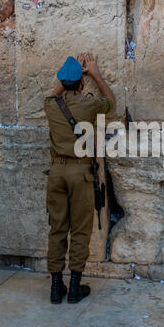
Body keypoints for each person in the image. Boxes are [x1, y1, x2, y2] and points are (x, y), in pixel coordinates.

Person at [44, 53, 115, 304]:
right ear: (82, 84)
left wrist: (68, 75)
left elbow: (55, 93)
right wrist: (93, 72)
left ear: (63, 81)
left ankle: (55, 288)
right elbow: (110, 102)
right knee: (81, 230)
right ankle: (74, 287)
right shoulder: (89, 104)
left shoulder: (51, 105)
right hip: (80, 173)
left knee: (57, 229)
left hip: (56, 173)